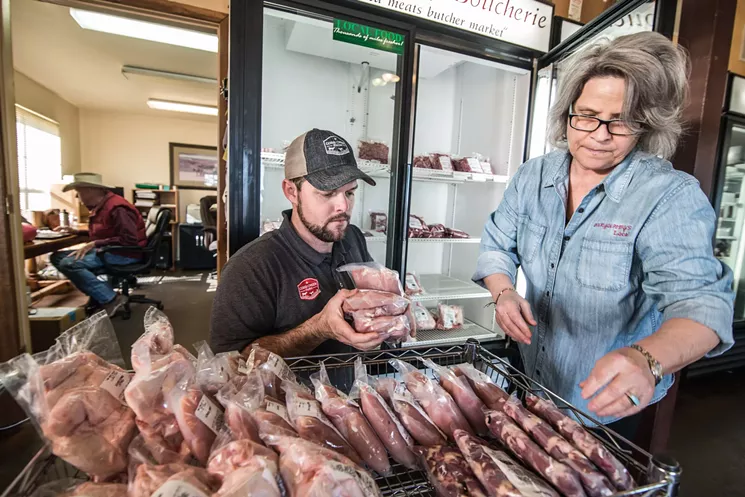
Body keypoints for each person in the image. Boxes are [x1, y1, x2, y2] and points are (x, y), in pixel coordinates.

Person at [473, 32, 734, 438]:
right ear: (567, 113)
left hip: (601, 410)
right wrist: (504, 292)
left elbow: (703, 307)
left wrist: (646, 358)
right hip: (530, 380)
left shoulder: (668, 196)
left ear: (645, 126)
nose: (599, 135)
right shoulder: (534, 176)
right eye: (587, 115)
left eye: (621, 122)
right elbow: (496, 244)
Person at [210, 129, 391, 357]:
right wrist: (318, 329)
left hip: (354, 388)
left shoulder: (352, 237)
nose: (343, 207)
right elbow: (227, 366)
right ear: (291, 192)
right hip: (289, 393)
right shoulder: (250, 268)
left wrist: (390, 310)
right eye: (327, 194)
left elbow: (369, 299)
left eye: (350, 193)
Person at [51, 173, 147, 316]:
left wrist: (94, 244)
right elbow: (104, 233)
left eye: (79, 192)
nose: (78, 197)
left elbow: (129, 239)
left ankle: (110, 298)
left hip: (125, 254)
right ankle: (100, 295)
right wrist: (77, 232)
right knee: (57, 258)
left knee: (69, 263)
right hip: (111, 250)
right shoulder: (102, 206)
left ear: (90, 190)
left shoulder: (117, 208)